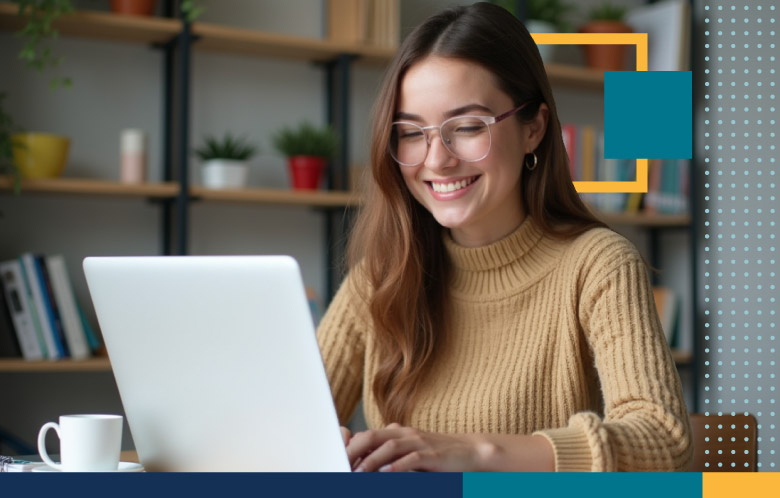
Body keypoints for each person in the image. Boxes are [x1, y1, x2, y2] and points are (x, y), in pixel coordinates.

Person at [316, 2, 692, 472]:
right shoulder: (378, 278)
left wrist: (477, 453)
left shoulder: (598, 264)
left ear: (533, 128)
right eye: (412, 133)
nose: (437, 159)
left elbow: (662, 439)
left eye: (468, 127)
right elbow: (278, 423)